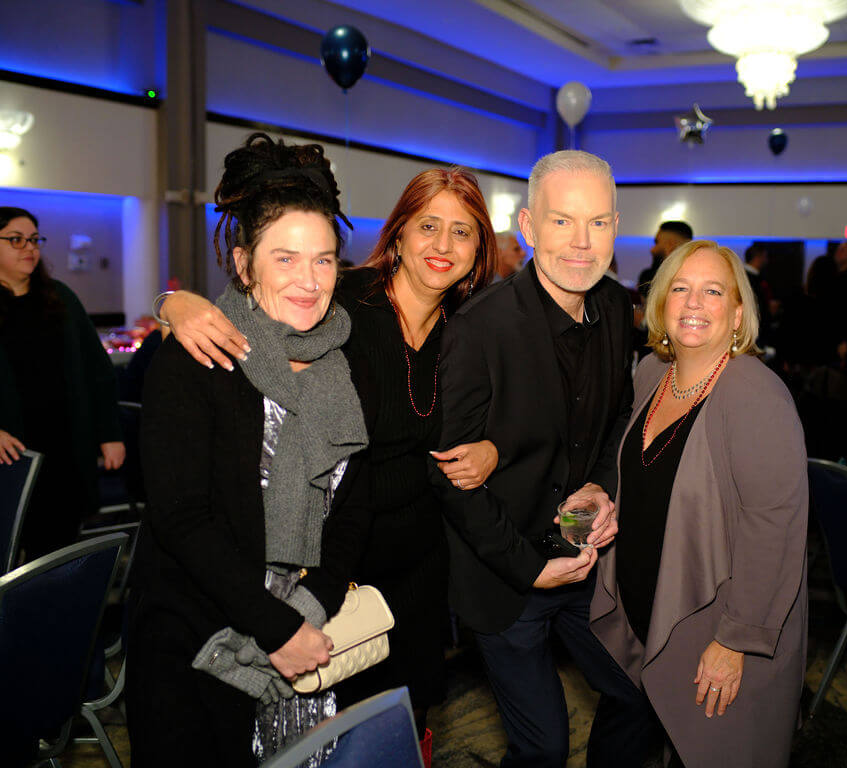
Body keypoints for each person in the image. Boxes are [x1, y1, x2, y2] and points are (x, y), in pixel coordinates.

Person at [158, 166, 500, 762]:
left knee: (393, 727)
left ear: (479, 249)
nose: (443, 244)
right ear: (398, 233)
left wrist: (494, 447)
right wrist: (172, 304)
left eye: (462, 231)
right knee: (317, 730)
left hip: (413, 558)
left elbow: (510, 414)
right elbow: (250, 319)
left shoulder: (471, 327)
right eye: (428, 226)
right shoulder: (343, 306)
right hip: (335, 562)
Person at [126, 134, 373, 766]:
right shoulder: (196, 357)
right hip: (201, 639)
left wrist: (309, 612)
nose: (309, 281)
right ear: (243, 264)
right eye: (285, 259)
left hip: (310, 637)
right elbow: (182, 520)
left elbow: (353, 506)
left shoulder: (344, 365)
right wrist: (277, 627)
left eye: (323, 260)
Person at [430, 150, 657, 767]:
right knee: (544, 748)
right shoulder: (478, 327)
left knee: (641, 695)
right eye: (562, 221)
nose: (582, 242)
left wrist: (601, 488)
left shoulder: (617, 307)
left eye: (598, 222)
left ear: (616, 226)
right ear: (528, 228)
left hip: (583, 558)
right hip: (505, 574)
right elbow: (450, 477)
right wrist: (529, 568)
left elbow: (618, 416)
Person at [591, 240, 808, 768]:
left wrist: (735, 641)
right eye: (681, 289)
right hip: (648, 616)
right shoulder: (652, 373)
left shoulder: (753, 392)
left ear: (737, 313)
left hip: (716, 626)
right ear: (661, 304)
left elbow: (774, 527)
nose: (693, 302)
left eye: (713, 291)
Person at [0, 206, 124, 560]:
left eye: (34, 240)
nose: (29, 248)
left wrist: (110, 434)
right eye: (16, 240)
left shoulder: (60, 297)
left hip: (64, 447)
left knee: (57, 551)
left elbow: (98, 371)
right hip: (11, 452)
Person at [637, 220, 692, 298]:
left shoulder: (649, 279)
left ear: (670, 245)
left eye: (657, 242)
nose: (652, 250)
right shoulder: (648, 278)